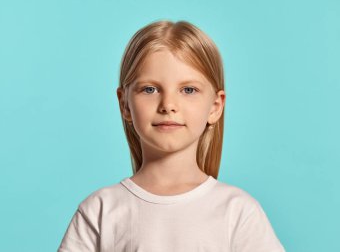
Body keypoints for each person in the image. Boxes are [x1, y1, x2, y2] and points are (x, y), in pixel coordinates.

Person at [57, 20, 285, 252]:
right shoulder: (100, 210)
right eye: (150, 89)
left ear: (215, 106)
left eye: (188, 90)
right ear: (125, 104)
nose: (168, 105)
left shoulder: (238, 212)